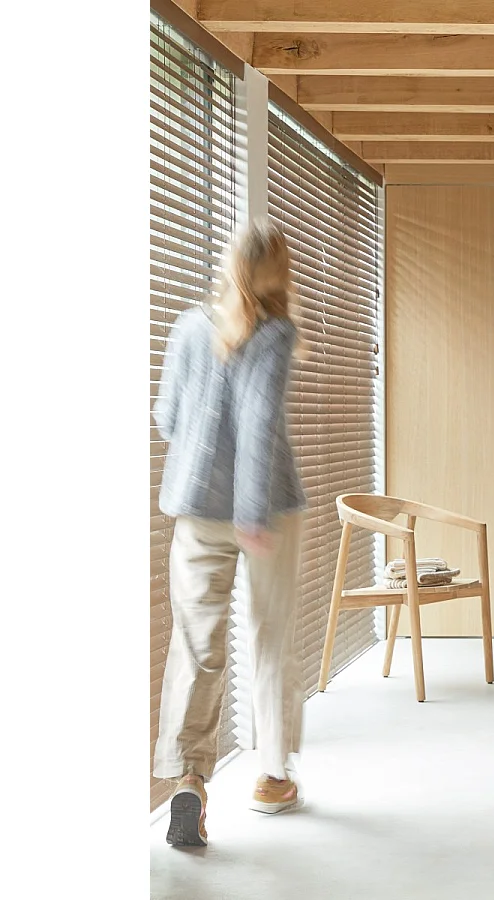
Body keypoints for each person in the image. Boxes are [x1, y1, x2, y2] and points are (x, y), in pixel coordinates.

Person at [153, 219, 307, 847]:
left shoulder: (191, 326)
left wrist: (200, 467)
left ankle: (189, 778)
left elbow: (166, 418)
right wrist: (250, 514)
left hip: (195, 507)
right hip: (263, 509)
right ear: (280, 275)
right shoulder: (275, 334)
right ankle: (272, 774)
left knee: (197, 642)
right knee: (270, 636)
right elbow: (260, 422)